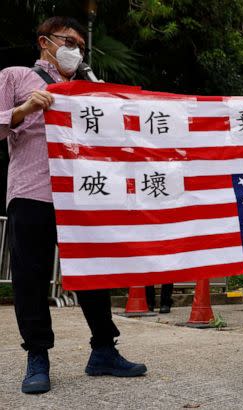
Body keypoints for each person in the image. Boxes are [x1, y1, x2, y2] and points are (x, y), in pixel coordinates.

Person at [0, 16, 146, 394]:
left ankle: (103, 350)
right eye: (68, 41)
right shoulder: (15, 77)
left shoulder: (86, 89)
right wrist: (24, 109)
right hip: (33, 190)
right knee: (30, 278)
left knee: (92, 270)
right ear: (44, 42)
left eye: (80, 45)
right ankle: (37, 356)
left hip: (82, 195)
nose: (75, 50)